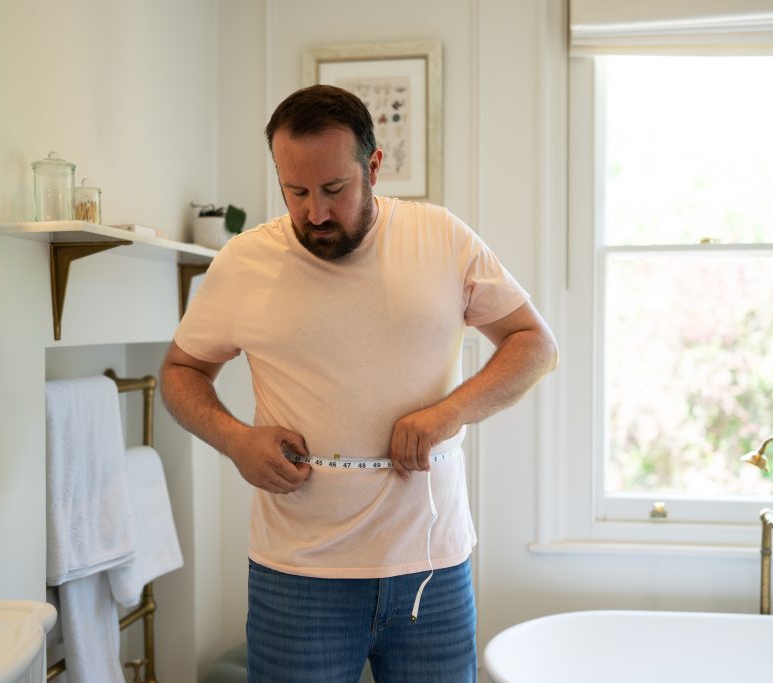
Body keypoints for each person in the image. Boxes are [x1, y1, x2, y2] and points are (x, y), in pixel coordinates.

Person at [160, 84, 558, 682]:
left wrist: (448, 414)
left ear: (373, 167)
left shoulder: (441, 238)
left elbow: (534, 345)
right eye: (296, 192)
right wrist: (235, 439)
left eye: (334, 190)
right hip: (297, 578)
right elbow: (180, 372)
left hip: (431, 569)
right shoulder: (244, 262)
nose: (315, 212)